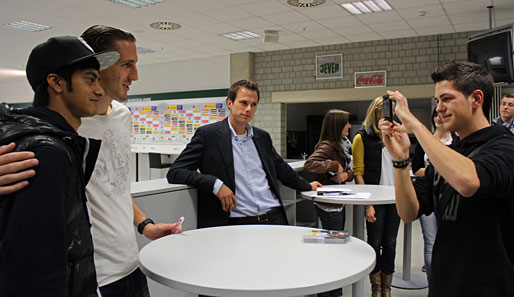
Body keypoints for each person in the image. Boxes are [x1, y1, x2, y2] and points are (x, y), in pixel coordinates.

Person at [0, 25, 183, 297]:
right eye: (126, 64)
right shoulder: (56, 132)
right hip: (92, 276)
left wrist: (145, 225)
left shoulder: (122, 116)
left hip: (132, 266)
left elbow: (116, 186)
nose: (135, 75)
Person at [380, 60, 514, 297]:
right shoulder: (450, 155)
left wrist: (417, 128)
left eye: (447, 99)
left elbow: (469, 181)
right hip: (445, 285)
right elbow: (409, 211)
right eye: (437, 101)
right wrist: (401, 161)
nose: (439, 108)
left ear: (476, 99)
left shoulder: (504, 146)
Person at [0, 36, 119, 297]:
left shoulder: (54, 142)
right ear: (56, 82)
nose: (99, 90)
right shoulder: (47, 151)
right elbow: (37, 258)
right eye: (90, 79)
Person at [167, 79, 321, 228]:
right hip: (237, 223)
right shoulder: (208, 135)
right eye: (244, 103)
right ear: (229, 103)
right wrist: (215, 184)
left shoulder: (262, 137)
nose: (248, 109)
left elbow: (281, 168)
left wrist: (307, 185)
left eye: (253, 104)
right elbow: (176, 172)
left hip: (274, 217)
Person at [352, 96, 400, 297]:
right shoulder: (361, 138)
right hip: (375, 200)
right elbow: (358, 173)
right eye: (386, 112)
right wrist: (368, 204)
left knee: (390, 243)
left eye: (392, 112)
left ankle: (387, 287)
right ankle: (376, 287)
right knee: (375, 242)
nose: (390, 116)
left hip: (395, 199)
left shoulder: (397, 135)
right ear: (376, 113)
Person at [303, 109, 353, 297]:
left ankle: (334, 291)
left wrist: (345, 174)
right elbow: (310, 164)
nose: (349, 126)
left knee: (336, 251)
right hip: (329, 206)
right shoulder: (327, 146)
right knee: (332, 253)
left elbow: (347, 172)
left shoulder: (342, 145)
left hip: (337, 203)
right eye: (346, 123)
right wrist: (333, 165)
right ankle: (328, 292)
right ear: (337, 125)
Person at [411, 107, 452, 297]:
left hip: (450, 199)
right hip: (428, 195)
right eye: (435, 115)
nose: (438, 118)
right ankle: (432, 287)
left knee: (448, 242)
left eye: (441, 115)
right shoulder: (425, 140)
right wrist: (438, 171)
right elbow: (416, 167)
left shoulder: (457, 142)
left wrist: (432, 171)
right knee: (430, 242)